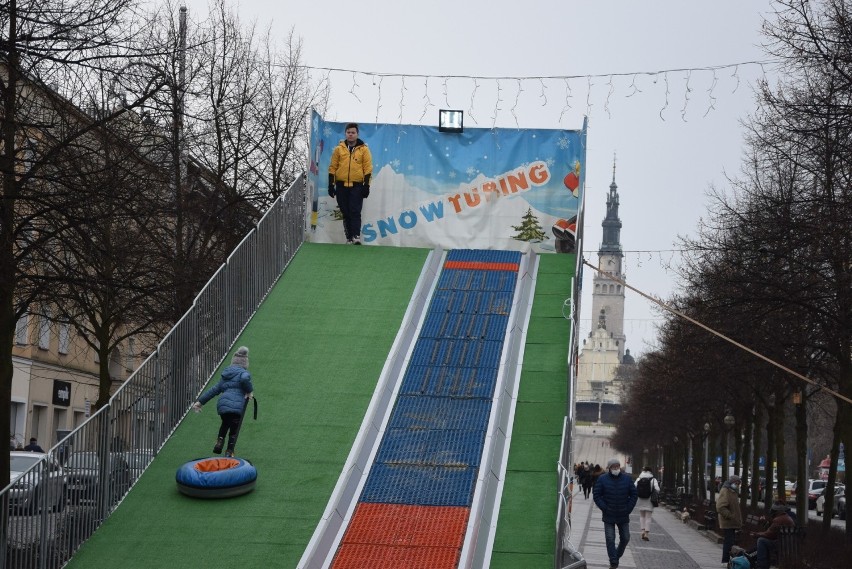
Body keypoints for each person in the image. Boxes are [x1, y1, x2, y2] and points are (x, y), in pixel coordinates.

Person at [192, 346, 254, 457]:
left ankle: (219, 442)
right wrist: (249, 391)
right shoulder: (244, 373)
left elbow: (214, 390)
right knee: (234, 428)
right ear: (245, 363)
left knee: (225, 423)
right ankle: (229, 451)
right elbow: (245, 379)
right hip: (237, 406)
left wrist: (200, 402)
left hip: (223, 405)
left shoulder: (225, 376)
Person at [328, 122, 373, 245]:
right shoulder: (339, 149)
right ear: (345, 134)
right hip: (341, 185)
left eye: (353, 132)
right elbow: (332, 167)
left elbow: (368, 168)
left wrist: (366, 186)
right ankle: (349, 237)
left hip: (357, 186)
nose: (351, 135)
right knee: (345, 212)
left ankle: (356, 236)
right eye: (348, 132)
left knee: (355, 211)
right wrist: (331, 185)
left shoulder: (364, 150)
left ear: (357, 134)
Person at [593, 458, 638, 569]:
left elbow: (634, 494)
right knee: (610, 538)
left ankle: (616, 557)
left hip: (623, 514)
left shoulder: (627, 479)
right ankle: (614, 562)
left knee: (626, 538)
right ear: (609, 468)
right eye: (613, 467)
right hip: (609, 515)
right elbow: (596, 495)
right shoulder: (602, 479)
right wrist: (605, 508)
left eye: (617, 466)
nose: (616, 468)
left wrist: (628, 508)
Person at [748, 502, 795, 569]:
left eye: (773, 511)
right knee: (764, 540)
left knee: (761, 541)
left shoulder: (778, 520)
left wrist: (756, 534)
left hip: (781, 546)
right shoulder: (787, 518)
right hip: (789, 546)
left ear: (777, 512)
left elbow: (769, 534)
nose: (772, 513)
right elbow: (772, 533)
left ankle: (761, 565)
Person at [716, 474, 744, 566]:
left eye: (739, 483)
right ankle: (725, 561)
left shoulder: (733, 491)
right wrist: (730, 516)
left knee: (730, 542)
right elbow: (720, 506)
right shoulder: (726, 490)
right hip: (728, 522)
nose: (738, 485)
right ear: (732, 482)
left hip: (732, 522)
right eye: (737, 483)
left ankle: (728, 561)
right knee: (728, 542)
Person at [634, 465, 660, 541]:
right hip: (649, 500)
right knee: (648, 517)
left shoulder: (639, 478)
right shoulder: (653, 479)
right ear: (651, 471)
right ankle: (646, 533)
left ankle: (642, 530)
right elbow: (657, 489)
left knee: (642, 516)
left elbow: (634, 486)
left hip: (641, 499)